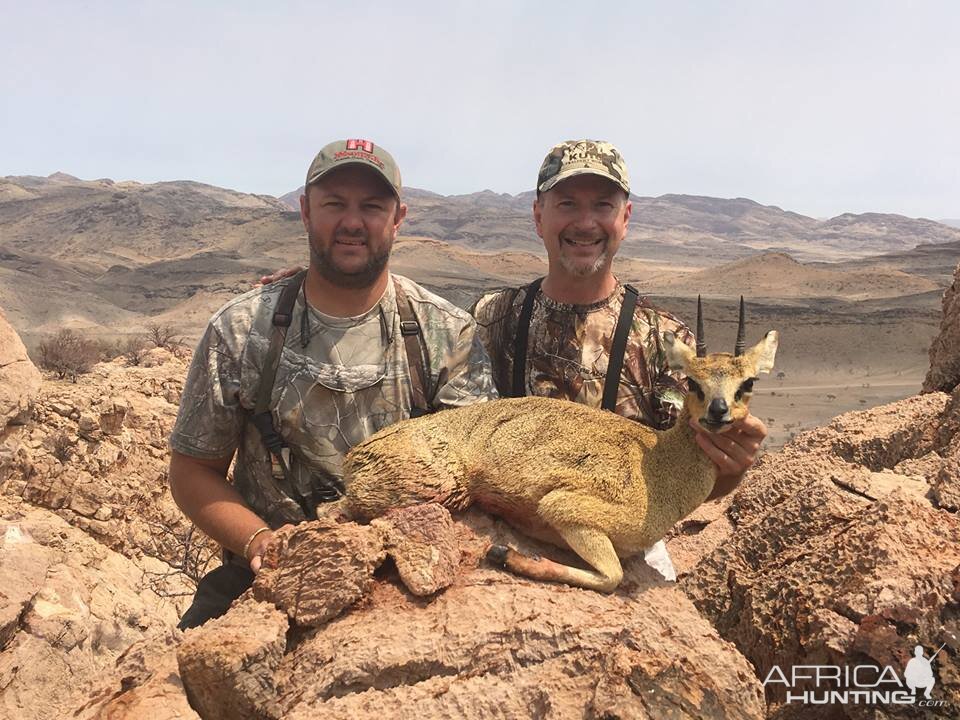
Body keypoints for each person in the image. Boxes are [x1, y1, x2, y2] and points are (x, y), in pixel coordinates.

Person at [168, 139, 497, 628]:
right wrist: (263, 544)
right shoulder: (240, 330)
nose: (352, 222)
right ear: (305, 212)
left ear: (398, 217)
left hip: (406, 580)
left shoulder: (446, 334)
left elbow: (476, 480)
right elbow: (193, 470)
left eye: (371, 206)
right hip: (266, 578)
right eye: (334, 204)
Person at [471, 140, 768, 580]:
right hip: (505, 526)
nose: (586, 222)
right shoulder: (491, 319)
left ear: (625, 219)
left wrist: (730, 464)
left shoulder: (665, 341)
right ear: (538, 216)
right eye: (567, 203)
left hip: (619, 543)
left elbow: (695, 472)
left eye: (603, 206)